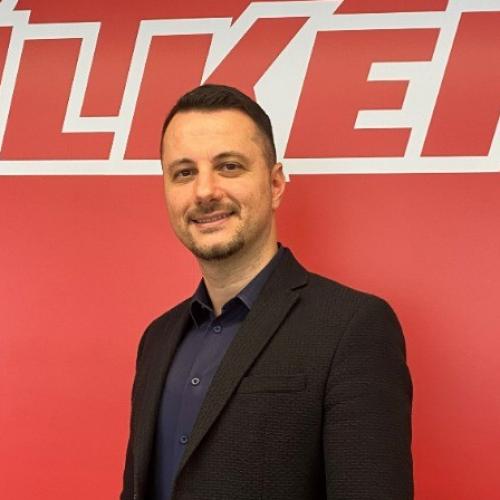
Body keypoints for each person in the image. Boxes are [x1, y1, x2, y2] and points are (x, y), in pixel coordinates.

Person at [120, 84, 413, 500]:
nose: (204, 191)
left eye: (229, 166)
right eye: (184, 172)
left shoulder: (352, 327)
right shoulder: (157, 338)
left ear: (275, 184)